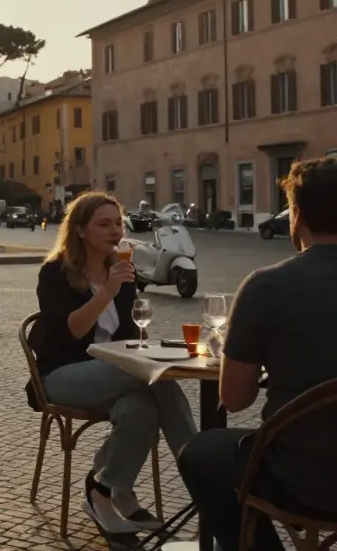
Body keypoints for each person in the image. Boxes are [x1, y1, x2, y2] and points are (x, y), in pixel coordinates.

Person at [178, 157, 337, 551]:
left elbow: (234, 398)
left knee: (199, 454)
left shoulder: (266, 287)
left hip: (301, 478)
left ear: (296, 215)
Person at [29, 192, 195, 536]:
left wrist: (141, 336)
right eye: (103, 224)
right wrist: (107, 289)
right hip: (62, 374)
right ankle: (202, 475)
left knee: (141, 408)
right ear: (79, 231)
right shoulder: (55, 272)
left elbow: (128, 334)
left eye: (118, 223)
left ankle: (105, 490)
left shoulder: (121, 269)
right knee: (159, 378)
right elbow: (73, 332)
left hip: (117, 374)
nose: (115, 231)